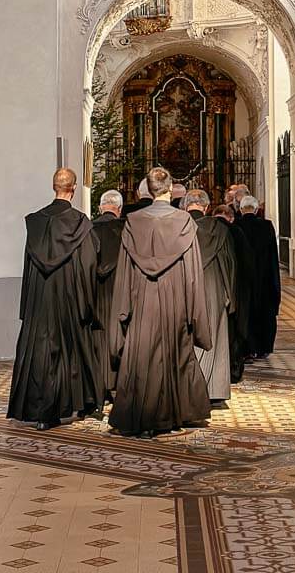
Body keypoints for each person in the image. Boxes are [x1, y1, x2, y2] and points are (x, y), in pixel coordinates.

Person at [109, 167, 212, 436]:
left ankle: (139, 415)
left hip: (142, 298)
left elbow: (125, 271)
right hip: (176, 299)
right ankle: (174, 413)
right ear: (169, 188)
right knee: (176, 354)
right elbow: (193, 274)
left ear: (149, 189)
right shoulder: (184, 222)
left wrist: (122, 310)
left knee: (140, 356)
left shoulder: (133, 222)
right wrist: (196, 314)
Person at [7, 168, 101, 430]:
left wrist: (27, 304)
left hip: (40, 300)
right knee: (68, 351)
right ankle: (72, 404)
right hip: (68, 298)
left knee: (38, 352)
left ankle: (37, 411)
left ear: (54, 187)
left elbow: (28, 264)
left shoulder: (36, 222)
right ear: (73, 189)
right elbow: (89, 265)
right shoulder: (80, 223)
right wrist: (88, 304)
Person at [185, 190, 236, 404]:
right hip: (213, 284)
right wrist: (229, 294)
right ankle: (213, 390)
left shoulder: (178, 226)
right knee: (214, 336)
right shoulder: (219, 229)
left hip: (185, 283)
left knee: (185, 335)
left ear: (185, 206)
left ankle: (186, 388)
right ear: (206, 207)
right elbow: (229, 262)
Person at [214, 203, 255, 382]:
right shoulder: (237, 232)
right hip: (236, 289)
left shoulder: (202, 229)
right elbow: (248, 265)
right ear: (230, 216)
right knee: (234, 331)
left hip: (212, 289)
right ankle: (233, 369)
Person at [92, 189, 124, 405]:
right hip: (119, 290)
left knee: (96, 338)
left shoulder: (88, 229)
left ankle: (96, 386)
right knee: (119, 337)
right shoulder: (125, 230)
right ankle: (118, 386)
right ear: (119, 209)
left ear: (100, 207)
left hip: (94, 291)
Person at [239, 195, 281, 358]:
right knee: (265, 312)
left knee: (247, 313)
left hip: (244, 278)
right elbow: (272, 256)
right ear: (256, 210)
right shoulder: (266, 226)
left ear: (241, 209)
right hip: (264, 278)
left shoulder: (237, 225)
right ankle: (264, 347)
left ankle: (248, 348)